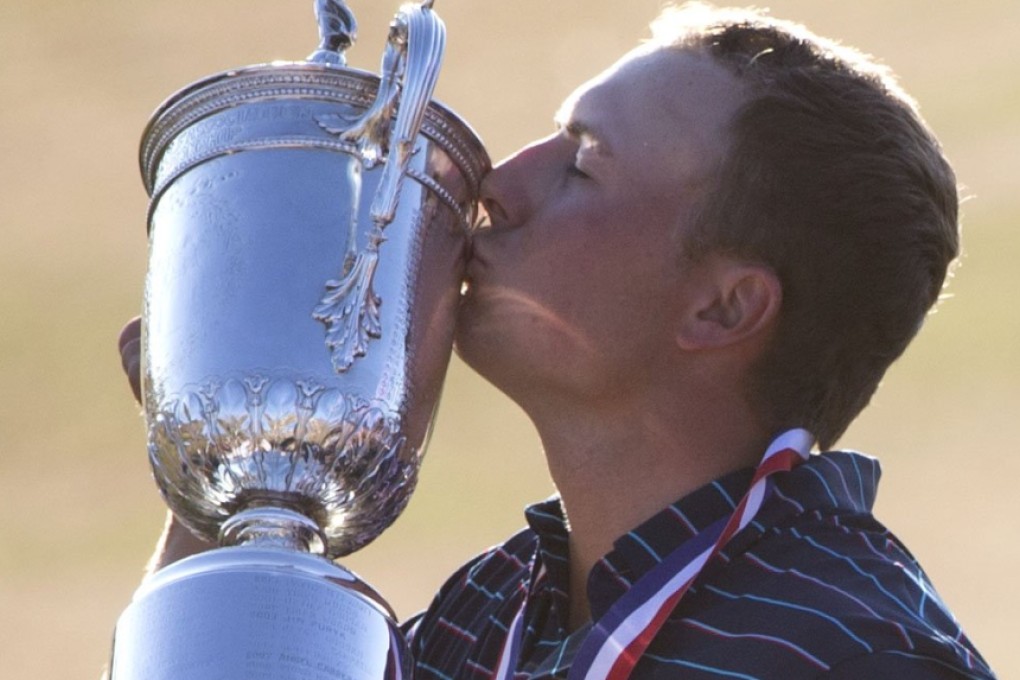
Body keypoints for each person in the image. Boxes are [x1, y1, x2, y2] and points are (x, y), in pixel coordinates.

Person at [120, 4, 996, 678]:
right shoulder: (488, 613)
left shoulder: (857, 656)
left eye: (583, 164)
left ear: (723, 310)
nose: (498, 183)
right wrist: (232, 480)